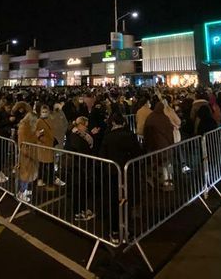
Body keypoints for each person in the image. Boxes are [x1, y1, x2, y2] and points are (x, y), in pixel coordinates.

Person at [100, 112, 142, 244]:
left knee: (114, 202)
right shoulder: (129, 136)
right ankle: (126, 230)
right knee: (125, 201)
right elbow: (139, 153)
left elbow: (102, 155)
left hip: (112, 174)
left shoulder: (108, 137)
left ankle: (115, 231)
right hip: (126, 173)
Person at [65, 116, 95, 221]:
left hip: (78, 166)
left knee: (80, 189)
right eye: (85, 126)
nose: (86, 128)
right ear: (80, 125)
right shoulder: (75, 137)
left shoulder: (79, 135)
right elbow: (80, 150)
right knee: (78, 190)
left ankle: (80, 210)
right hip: (77, 167)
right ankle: (78, 212)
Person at [143, 100, 175, 191]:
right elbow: (169, 132)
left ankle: (156, 182)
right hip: (165, 145)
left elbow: (146, 131)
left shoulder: (150, 117)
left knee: (155, 165)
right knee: (166, 164)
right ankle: (168, 183)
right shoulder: (165, 118)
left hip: (154, 145)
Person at [35, 105, 65, 190]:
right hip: (43, 145)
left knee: (45, 163)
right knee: (47, 164)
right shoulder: (39, 121)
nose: (44, 113)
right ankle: (49, 180)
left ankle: (42, 179)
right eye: (43, 112)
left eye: (46, 111)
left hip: (49, 145)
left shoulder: (51, 120)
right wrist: (41, 137)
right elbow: (35, 133)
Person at [15, 102, 39, 202]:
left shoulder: (24, 125)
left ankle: (23, 190)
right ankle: (21, 192)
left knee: (27, 172)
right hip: (27, 151)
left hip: (27, 151)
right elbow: (27, 140)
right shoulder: (25, 128)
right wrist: (36, 135)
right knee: (25, 173)